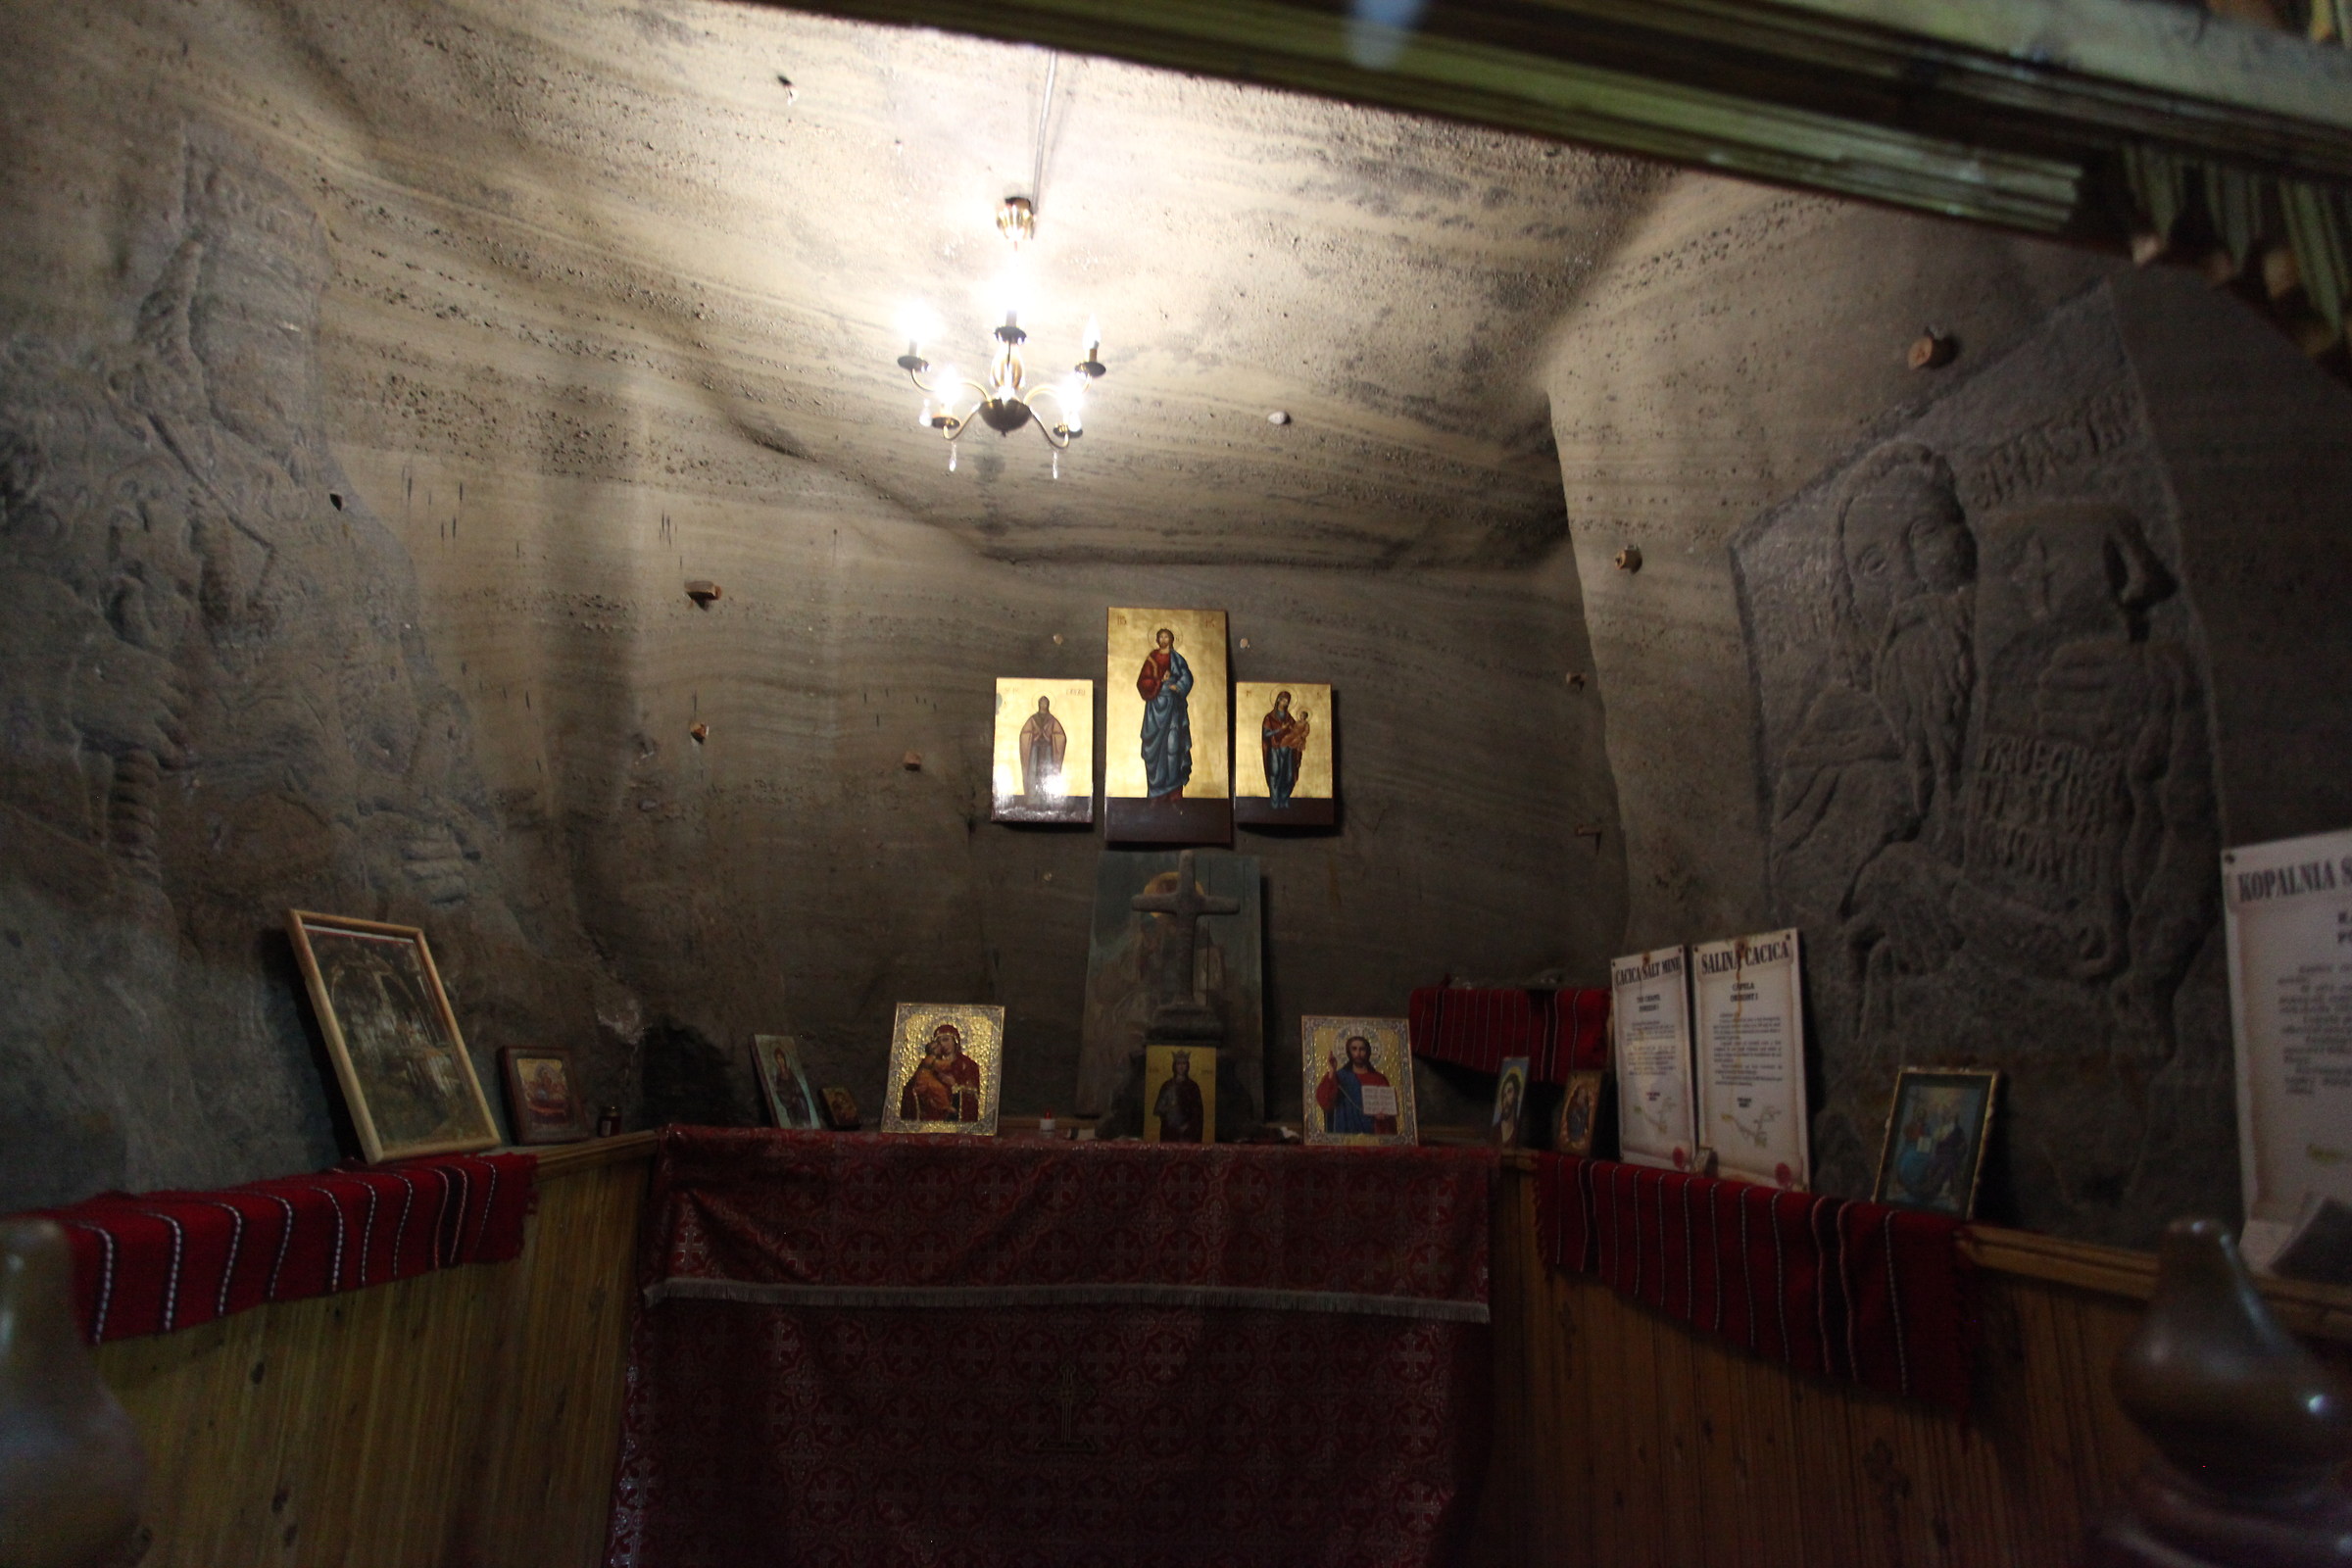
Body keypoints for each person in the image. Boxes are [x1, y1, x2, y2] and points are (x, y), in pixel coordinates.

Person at [1136, 626, 1194, 798]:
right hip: (1155, 707)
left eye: (1166, 636)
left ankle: (1174, 791)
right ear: (1156, 639)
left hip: (1173, 706)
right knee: (1155, 749)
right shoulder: (1151, 659)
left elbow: (1187, 676)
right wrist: (1160, 682)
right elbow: (1142, 682)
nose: (1163, 640)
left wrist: (1179, 686)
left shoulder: (1177, 658)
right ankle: (1156, 791)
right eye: (1160, 637)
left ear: (1172, 639)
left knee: (1173, 745)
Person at [900, 1021, 983, 1122]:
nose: (943, 1044)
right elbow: (910, 1088)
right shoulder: (929, 1062)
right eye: (939, 1042)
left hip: (954, 1117)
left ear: (955, 1040)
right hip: (929, 1114)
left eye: (946, 1040)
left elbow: (975, 1094)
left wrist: (955, 1085)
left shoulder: (967, 1064)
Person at [1314, 1034, 1397, 1135]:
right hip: (1345, 1132)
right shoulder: (1340, 1077)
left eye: (1362, 1049)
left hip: (1373, 1133)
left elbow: (1389, 1110)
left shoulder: (1379, 1079)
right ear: (1349, 1052)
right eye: (1354, 1049)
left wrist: (1384, 1116)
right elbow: (1325, 1102)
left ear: (1368, 1052)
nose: (1358, 1053)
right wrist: (1332, 1071)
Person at [1260, 691, 1310, 808]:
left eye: (1287, 701)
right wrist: (1280, 729)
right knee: (1275, 773)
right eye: (1283, 700)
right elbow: (1266, 734)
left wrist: (1300, 736)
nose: (1286, 702)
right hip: (1274, 749)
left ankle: (1284, 799)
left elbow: (1296, 730)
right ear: (1278, 700)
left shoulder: (1290, 718)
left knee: (1288, 776)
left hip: (1288, 750)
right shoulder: (1269, 718)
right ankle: (1274, 801)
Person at [1018, 695, 1067, 803]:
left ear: (1048, 704)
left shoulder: (1052, 720)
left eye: (1045, 703)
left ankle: (1047, 800)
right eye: (1041, 703)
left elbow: (1061, 736)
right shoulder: (1033, 719)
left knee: (1047, 772)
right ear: (1038, 704)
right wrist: (1034, 735)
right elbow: (1024, 734)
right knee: (1033, 772)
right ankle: (1033, 799)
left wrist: (1048, 736)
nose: (1043, 705)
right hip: (1035, 749)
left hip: (1048, 749)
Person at [1152, 1051, 1205, 1143]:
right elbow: (1159, 1109)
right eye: (1178, 1064)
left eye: (1184, 1064)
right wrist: (1170, 1110)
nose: (1181, 1067)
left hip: (1188, 1132)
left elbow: (1198, 1111)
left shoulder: (1193, 1086)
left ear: (1187, 1066)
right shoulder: (1167, 1086)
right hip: (1170, 1130)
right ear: (1174, 1066)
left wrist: (1187, 1126)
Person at [1493, 1071, 1523, 1149]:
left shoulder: (1517, 1132)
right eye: (1504, 1095)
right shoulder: (1495, 1130)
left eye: (1509, 1091)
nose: (1505, 1100)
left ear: (1516, 1094)